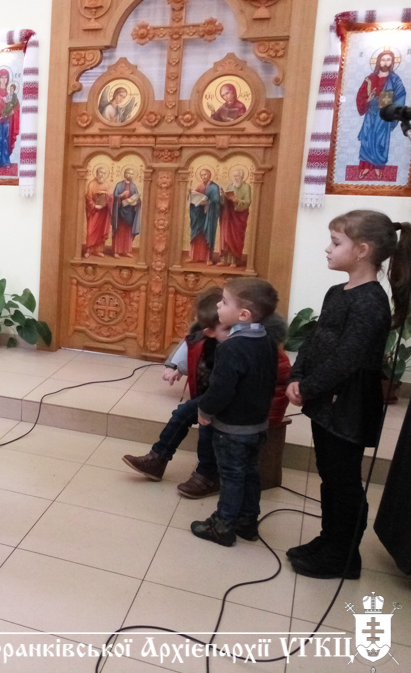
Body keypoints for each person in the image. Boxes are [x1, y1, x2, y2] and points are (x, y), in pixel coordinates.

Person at [285, 210, 409, 578]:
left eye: (336, 242)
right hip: (326, 398)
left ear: (362, 250)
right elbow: (316, 340)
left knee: (344, 479)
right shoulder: (336, 292)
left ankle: (344, 556)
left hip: (350, 403)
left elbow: (346, 359)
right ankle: (329, 539)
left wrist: (308, 387)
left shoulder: (371, 302)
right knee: (328, 473)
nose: (327, 248)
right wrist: (297, 376)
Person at [191, 278, 280, 547]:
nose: (218, 305)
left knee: (231, 476)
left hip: (232, 429)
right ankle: (247, 521)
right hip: (257, 425)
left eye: (224, 302)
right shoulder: (267, 340)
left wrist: (205, 410)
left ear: (243, 315)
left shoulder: (231, 347)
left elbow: (221, 389)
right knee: (250, 473)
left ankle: (222, 525)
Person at [122, 288, 228, 498]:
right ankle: (157, 459)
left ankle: (208, 476)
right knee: (182, 414)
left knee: (206, 429)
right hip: (213, 395)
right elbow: (189, 349)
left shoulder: (243, 345)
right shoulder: (206, 335)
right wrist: (177, 368)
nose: (205, 331)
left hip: (233, 400)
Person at [355, 51, 405, 180]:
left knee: (380, 140)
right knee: (367, 139)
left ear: (392, 62)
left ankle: (378, 168)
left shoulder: (395, 79)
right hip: (370, 113)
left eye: (388, 60)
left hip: (384, 115)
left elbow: (400, 96)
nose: (385, 63)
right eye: (383, 60)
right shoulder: (370, 78)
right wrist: (367, 100)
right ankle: (365, 167)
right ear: (378, 61)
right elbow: (360, 95)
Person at [220, 167, 251, 267]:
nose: (235, 178)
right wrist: (223, 196)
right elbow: (225, 202)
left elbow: (247, 202)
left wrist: (237, 200)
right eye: (234, 176)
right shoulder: (230, 186)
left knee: (236, 238)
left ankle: (235, 261)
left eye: (237, 176)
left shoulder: (246, 187)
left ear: (242, 176)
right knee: (226, 236)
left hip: (239, 216)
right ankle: (224, 259)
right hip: (229, 216)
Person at [189, 168, 220, 265]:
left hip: (209, 217)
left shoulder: (214, 187)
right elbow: (193, 200)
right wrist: (191, 196)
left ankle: (208, 258)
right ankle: (194, 257)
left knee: (207, 235)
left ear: (210, 175)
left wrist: (207, 203)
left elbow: (216, 201)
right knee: (197, 235)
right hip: (198, 216)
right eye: (202, 175)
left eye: (205, 175)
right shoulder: (199, 186)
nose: (203, 177)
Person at [110, 168, 140, 258]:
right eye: (128, 173)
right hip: (120, 213)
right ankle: (116, 251)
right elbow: (114, 198)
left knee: (127, 233)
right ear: (125, 174)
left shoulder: (134, 186)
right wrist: (121, 196)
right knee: (119, 232)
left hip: (130, 213)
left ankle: (126, 251)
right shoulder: (119, 185)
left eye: (132, 174)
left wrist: (135, 203)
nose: (130, 175)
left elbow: (137, 198)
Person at [83, 166, 111, 258]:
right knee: (91, 231)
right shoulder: (91, 184)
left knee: (101, 231)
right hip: (94, 212)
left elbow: (110, 197)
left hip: (103, 212)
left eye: (104, 173)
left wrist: (107, 197)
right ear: (97, 173)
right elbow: (88, 197)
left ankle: (98, 250)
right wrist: (94, 206)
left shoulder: (106, 185)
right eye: (100, 172)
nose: (102, 175)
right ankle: (89, 250)